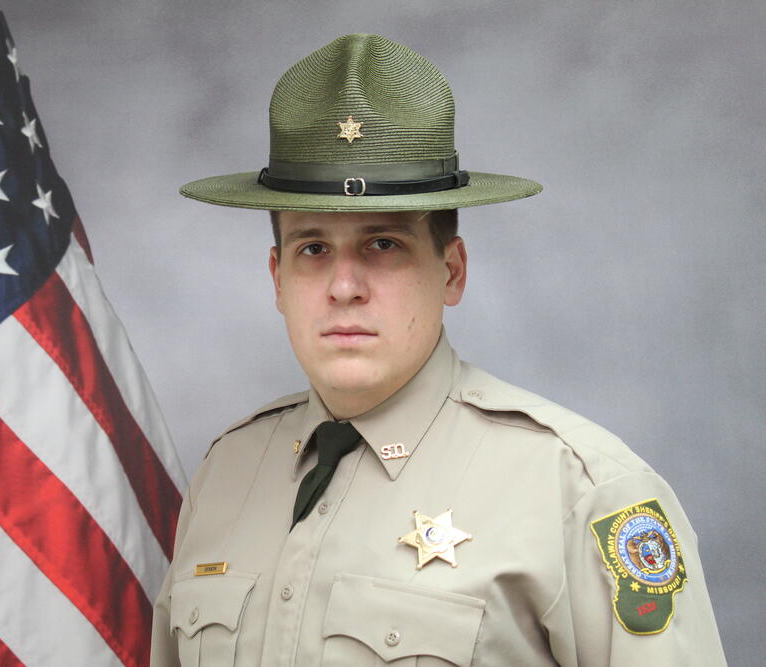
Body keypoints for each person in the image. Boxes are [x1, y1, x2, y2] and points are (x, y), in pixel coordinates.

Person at [151, 33, 726, 665]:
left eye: (384, 245)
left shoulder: (582, 493)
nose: (345, 287)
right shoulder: (228, 473)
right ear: (277, 278)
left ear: (451, 271)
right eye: (312, 248)